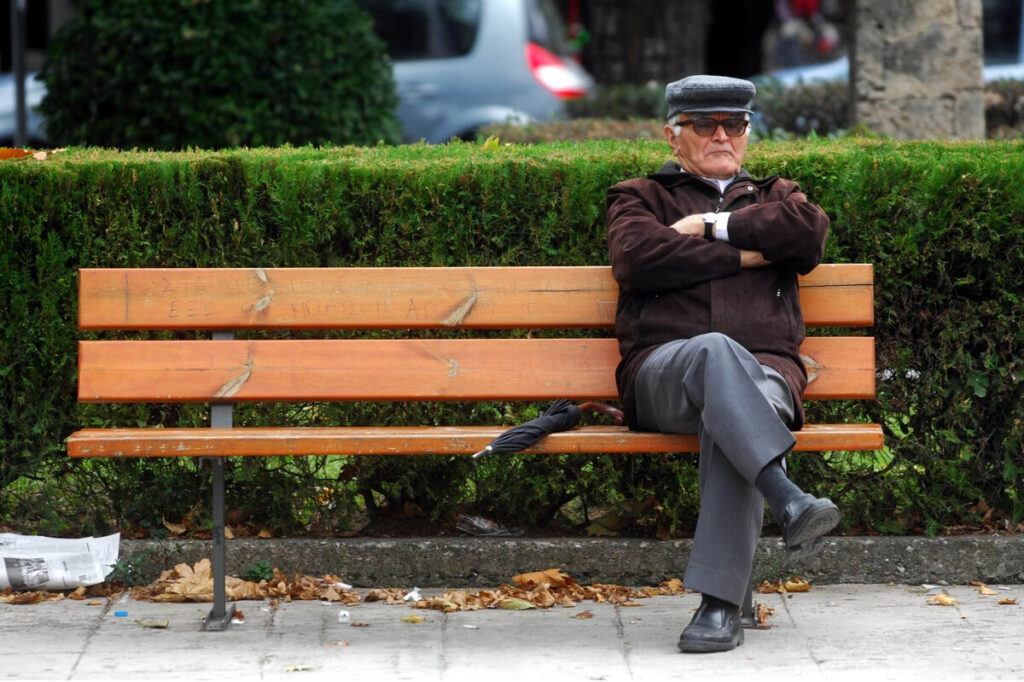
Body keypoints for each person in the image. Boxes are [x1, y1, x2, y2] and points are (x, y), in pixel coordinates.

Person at [605, 75, 837, 653]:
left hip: (767, 373)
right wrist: (750, 256)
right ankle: (785, 496)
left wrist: (711, 228)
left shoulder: (780, 194)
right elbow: (638, 258)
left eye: (733, 124)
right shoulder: (638, 196)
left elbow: (808, 235)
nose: (720, 135)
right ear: (672, 134)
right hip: (665, 373)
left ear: (748, 132)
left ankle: (718, 607)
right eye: (704, 124)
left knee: (735, 406)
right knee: (713, 349)